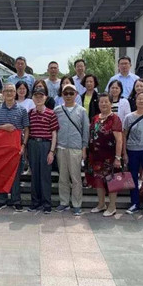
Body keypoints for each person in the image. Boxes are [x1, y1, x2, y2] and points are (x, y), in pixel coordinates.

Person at [0, 83, 29, 212]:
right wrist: (3, 127)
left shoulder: (22, 110)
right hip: (1, 149)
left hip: (16, 149)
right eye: (6, 91)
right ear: (3, 92)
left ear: (15, 93)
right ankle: (1, 199)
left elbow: (26, 128)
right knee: (1, 174)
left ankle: (16, 200)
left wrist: (23, 145)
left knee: (16, 176)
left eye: (11, 91)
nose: (9, 93)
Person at [54, 84, 89, 216]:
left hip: (76, 148)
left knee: (76, 178)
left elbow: (85, 131)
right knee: (63, 177)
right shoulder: (57, 110)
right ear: (62, 95)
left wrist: (84, 148)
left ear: (76, 94)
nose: (68, 96)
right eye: (66, 93)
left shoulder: (81, 111)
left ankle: (76, 204)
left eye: (71, 93)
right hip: (61, 147)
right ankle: (64, 202)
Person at [87, 93, 123, 217]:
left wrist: (118, 157)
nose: (103, 104)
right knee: (98, 180)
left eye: (106, 101)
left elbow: (119, 140)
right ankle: (101, 204)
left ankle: (112, 206)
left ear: (111, 103)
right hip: (96, 156)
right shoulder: (95, 118)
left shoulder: (115, 119)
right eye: (101, 102)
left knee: (112, 181)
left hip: (110, 156)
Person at [27, 87, 59, 214]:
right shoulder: (30, 113)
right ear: (33, 98)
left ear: (45, 97)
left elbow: (54, 133)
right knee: (35, 175)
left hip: (46, 145)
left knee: (45, 176)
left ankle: (46, 203)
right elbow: (28, 131)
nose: (39, 98)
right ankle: (35, 202)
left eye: (41, 96)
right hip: (33, 144)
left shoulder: (51, 113)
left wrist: (52, 151)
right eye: (36, 96)